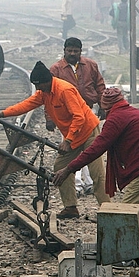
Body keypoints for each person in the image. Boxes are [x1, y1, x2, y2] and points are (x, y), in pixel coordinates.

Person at [0, 61, 106, 219]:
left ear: (47, 81)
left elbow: (79, 117)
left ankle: (107, 208)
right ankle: (71, 207)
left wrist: (68, 140)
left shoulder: (64, 90)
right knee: (61, 168)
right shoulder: (43, 92)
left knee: (96, 173)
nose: (37, 89)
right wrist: (2, 114)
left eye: (39, 86)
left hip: (88, 132)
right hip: (73, 136)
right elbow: (26, 105)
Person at [53, 88, 139, 245]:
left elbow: (95, 149)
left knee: (128, 212)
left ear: (105, 106)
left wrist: (68, 169)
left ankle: (123, 255)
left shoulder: (115, 120)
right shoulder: (135, 112)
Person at [49, 37, 107, 197]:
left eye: (75, 51)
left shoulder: (90, 65)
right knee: (70, 150)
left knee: (91, 152)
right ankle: (77, 185)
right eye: (69, 51)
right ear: (64, 51)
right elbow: (48, 94)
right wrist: (49, 117)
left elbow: (100, 85)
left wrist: (103, 105)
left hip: (88, 113)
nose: (72, 53)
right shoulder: (56, 69)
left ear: (80, 51)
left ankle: (89, 184)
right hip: (68, 118)